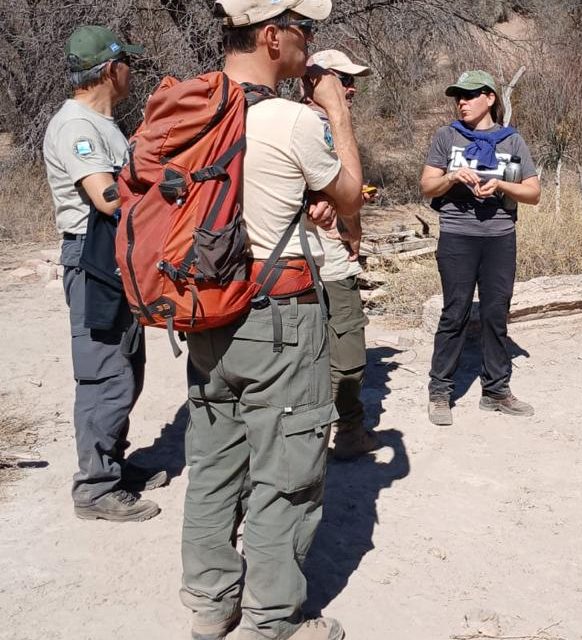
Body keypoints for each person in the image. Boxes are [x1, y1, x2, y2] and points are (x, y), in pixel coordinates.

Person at [180, 1, 363, 639]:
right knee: (287, 471)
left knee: (213, 464)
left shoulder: (191, 106)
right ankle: (272, 619)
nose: (309, 43)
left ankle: (210, 603)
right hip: (279, 315)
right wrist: (336, 110)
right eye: (303, 31)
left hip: (205, 310)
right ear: (271, 36)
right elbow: (349, 196)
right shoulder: (290, 119)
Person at [42, 25, 166, 522]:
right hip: (93, 259)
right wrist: (163, 188)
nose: (132, 72)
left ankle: (113, 463)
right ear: (111, 70)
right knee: (104, 374)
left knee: (127, 367)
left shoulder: (103, 124)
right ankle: (95, 488)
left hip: (118, 258)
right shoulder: (76, 126)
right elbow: (107, 197)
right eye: (127, 63)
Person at [420, 70, 541, 426]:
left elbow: (533, 193)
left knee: (495, 313)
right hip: (457, 236)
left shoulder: (512, 140)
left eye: (470, 95)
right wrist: (451, 176)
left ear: (490, 98)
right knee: (455, 313)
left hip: (500, 237)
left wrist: (501, 185)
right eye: (458, 96)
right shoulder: (446, 136)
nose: (462, 102)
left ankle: (496, 391)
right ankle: (440, 392)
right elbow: (427, 186)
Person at [301, 49, 380, 461]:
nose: (351, 89)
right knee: (346, 345)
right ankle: (345, 430)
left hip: (316, 257)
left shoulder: (311, 122)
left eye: (351, 81)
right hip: (324, 259)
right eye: (343, 79)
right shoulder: (315, 126)